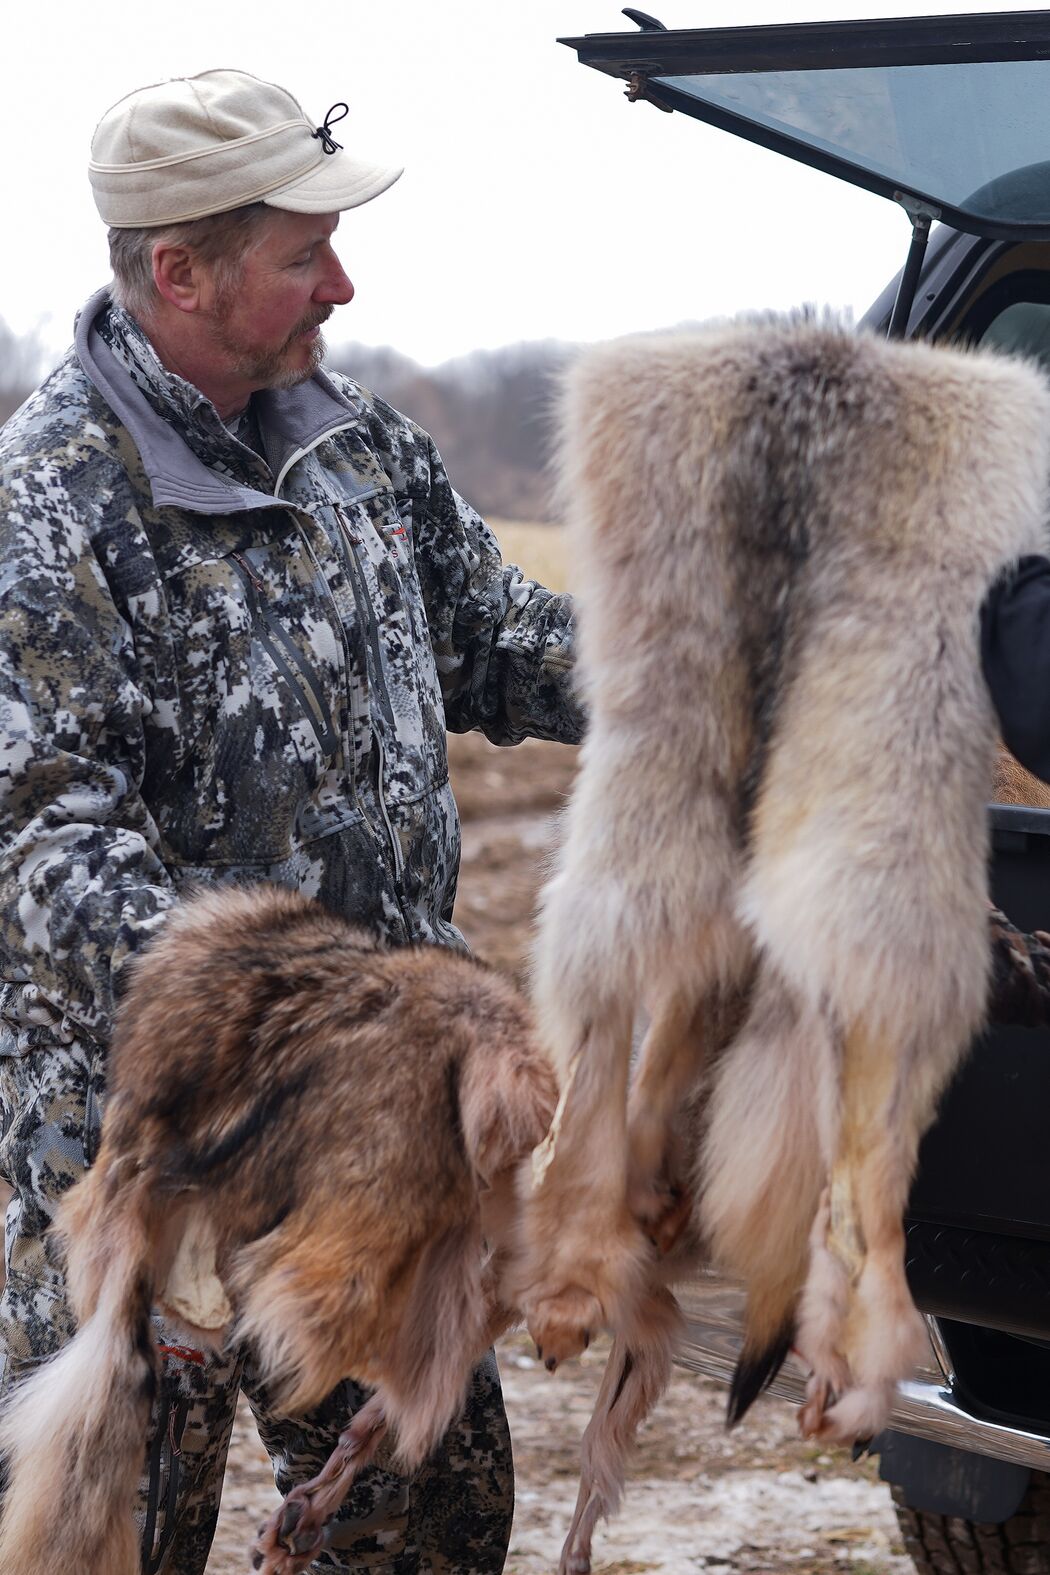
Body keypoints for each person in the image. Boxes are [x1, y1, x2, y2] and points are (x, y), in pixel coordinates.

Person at [0, 69, 582, 1574]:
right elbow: (43, 852)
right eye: (299, 254)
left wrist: (722, 668)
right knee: (114, 1540)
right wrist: (319, 1026)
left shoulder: (363, 447)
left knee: (426, 1534)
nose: (344, 279)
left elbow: (507, 642)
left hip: (385, 1155)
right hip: (152, 1159)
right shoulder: (48, 509)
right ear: (177, 271)